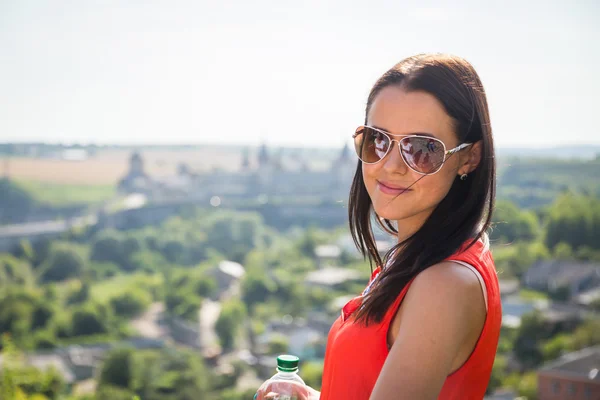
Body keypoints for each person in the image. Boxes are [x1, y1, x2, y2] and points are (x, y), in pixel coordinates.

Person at [256, 53, 501, 400]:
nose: (391, 166)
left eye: (422, 149)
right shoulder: (423, 256)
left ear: (469, 157)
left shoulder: (443, 285)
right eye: (378, 140)